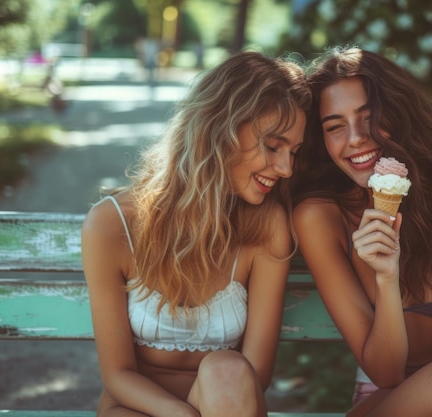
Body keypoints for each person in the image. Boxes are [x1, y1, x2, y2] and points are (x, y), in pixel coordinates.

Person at [291, 47, 432, 417]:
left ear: (400, 117)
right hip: (384, 396)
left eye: (369, 118)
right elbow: (385, 374)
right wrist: (387, 279)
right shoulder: (321, 219)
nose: (354, 138)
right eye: (335, 126)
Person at [81, 51, 310, 417]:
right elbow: (118, 374)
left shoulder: (267, 226)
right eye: (273, 146)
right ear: (221, 129)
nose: (285, 168)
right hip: (138, 407)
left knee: (228, 370)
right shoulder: (111, 226)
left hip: (227, 402)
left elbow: (256, 374)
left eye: (293, 152)